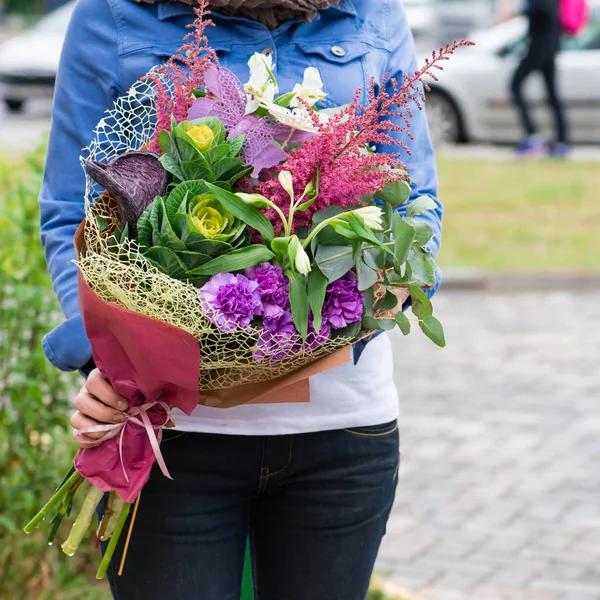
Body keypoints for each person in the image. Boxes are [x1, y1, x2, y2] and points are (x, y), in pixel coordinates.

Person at [39, 1, 442, 598]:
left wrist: (381, 290)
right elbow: (74, 211)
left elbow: (415, 205)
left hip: (342, 437)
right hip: (170, 433)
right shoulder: (113, 14)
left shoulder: (371, 11)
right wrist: (110, 354)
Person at [510, 0, 571, 157]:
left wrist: (522, 9)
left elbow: (539, 11)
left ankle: (534, 137)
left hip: (540, 49)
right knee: (552, 95)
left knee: (515, 85)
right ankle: (561, 140)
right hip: (549, 48)